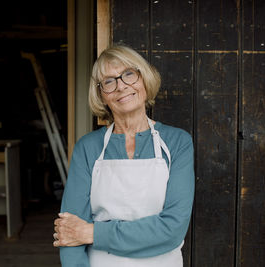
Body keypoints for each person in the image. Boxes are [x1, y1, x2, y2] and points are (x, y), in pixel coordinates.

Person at [53, 45, 195, 267]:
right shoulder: (88, 148)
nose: (121, 86)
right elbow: (70, 233)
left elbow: (172, 230)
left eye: (129, 74)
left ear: (144, 79)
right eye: (109, 81)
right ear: (101, 95)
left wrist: (92, 233)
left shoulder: (177, 143)